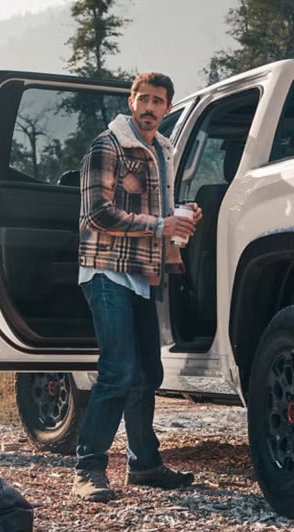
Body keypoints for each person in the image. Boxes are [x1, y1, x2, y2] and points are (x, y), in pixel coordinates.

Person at [72, 72, 201, 503]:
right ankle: (87, 469)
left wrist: (180, 216)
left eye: (158, 101)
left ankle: (144, 465)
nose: (150, 108)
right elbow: (96, 215)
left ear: (167, 108)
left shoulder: (161, 151)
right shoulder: (106, 147)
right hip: (107, 270)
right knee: (118, 371)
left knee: (148, 373)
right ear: (131, 102)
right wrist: (162, 224)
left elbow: (157, 212)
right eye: (143, 99)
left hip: (143, 274)